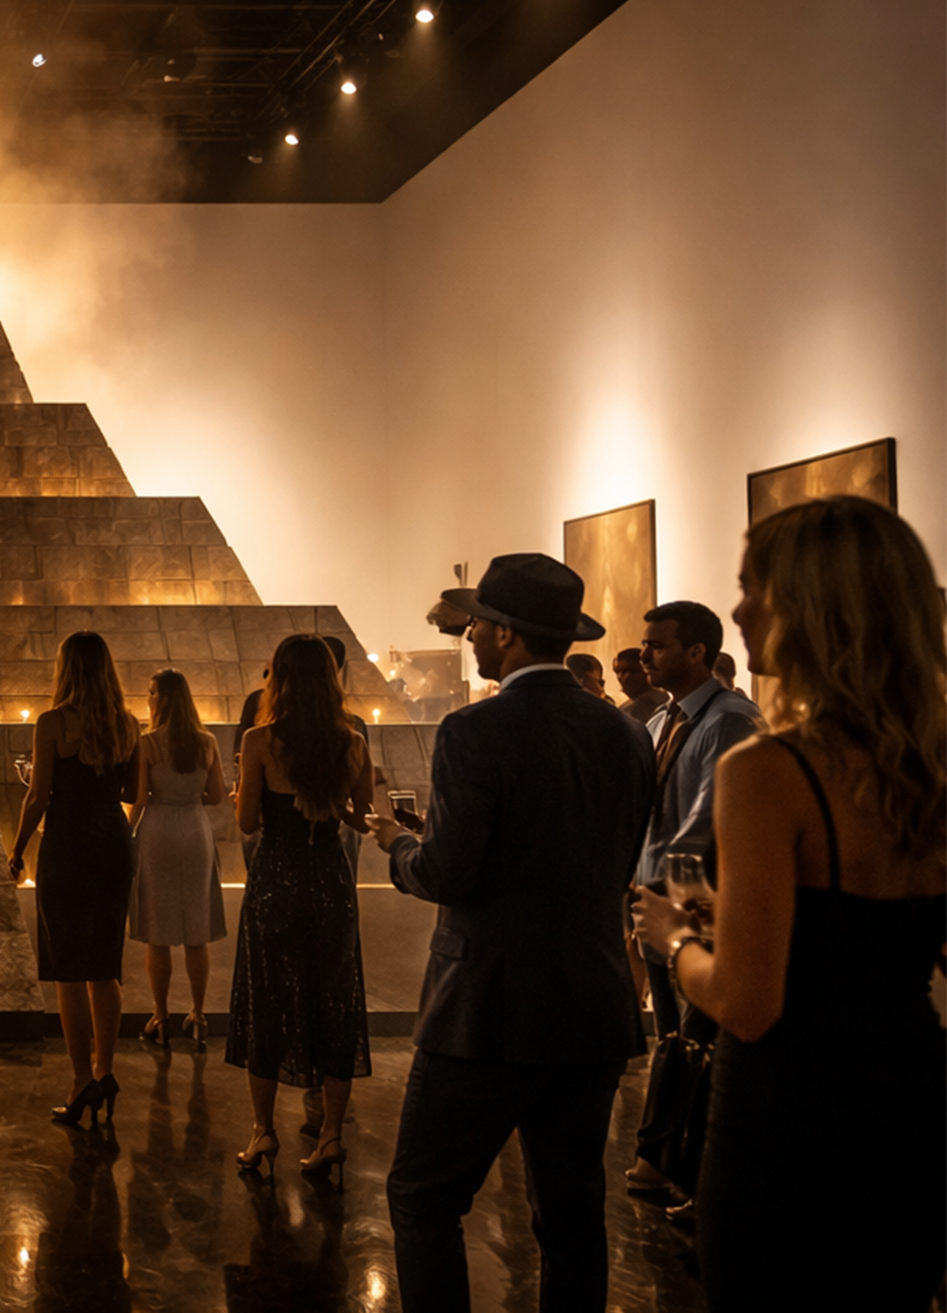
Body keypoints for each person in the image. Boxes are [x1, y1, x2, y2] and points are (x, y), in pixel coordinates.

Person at [635, 497, 945, 1310]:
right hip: (913, 1101)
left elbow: (747, 1001)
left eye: (752, 585)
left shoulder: (767, 768)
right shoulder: (931, 764)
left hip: (788, 1119)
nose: (737, 609)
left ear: (814, 604)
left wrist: (673, 936)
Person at [369, 553, 653, 1313]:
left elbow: (449, 874)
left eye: (476, 626)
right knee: (570, 1214)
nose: (467, 638)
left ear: (505, 634)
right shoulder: (626, 735)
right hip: (590, 1002)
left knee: (423, 1197)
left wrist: (397, 849)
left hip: (485, 1010)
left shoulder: (473, 731)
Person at [625, 600, 763, 1209]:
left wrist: (672, 908)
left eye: (658, 645)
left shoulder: (729, 719)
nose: (647, 655)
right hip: (657, 897)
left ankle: (678, 1163)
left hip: (695, 900)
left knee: (697, 1034)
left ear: (697, 653)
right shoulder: (661, 722)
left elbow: (704, 828)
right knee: (673, 1036)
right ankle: (664, 1156)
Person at [227, 633, 373, 1177]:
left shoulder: (260, 740)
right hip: (330, 875)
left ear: (280, 677)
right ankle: (331, 1135)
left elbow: (246, 822)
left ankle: (264, 1132)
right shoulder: (351, 738)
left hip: (277, 877)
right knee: (335, 1000)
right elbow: (361, 817)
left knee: (265, 998)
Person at [10, 631, 142, 1127]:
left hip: (67, 843)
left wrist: (18, 849)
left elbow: (38, 796)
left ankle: (81, 1080)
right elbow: (133, 789)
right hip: (113, 843)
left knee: (68, 970)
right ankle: (106, 1072)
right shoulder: (127, 725)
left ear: (66, 670)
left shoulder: (51, 724)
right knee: (105, 965)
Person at [128, 667, 227, 1048]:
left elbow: (138, 799)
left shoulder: (148, 743)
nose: (148, 698)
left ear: (164, 699)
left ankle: (161, 1014)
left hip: (159, 830)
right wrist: (190, 798)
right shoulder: (206, 742)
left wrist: (127, 833)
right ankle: (199, 1014)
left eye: (152, 692)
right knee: (195, 932)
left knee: (159, 932)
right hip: (195, 830)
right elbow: (216, 795)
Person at [613, 646, 669, 725]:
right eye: (619, 671)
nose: (625, 677)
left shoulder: (658, 703)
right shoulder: (625, 708)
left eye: (633, 671)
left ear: (647, 671)